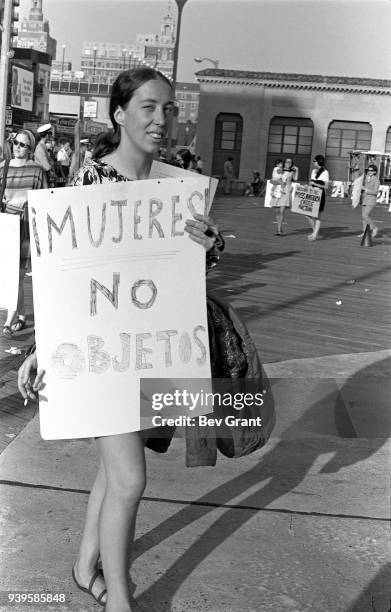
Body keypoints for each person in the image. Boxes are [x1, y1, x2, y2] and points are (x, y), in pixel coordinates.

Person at [17, 68, 223, 612]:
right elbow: (67, 277)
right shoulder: (91, 182)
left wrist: (210, 242)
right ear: (120, 114)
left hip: (150, 350)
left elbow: (195, 270)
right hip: (102, 358)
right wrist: (43, 348)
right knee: (131, 478)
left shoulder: (179, 186)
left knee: (114, 473)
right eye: (149, 108)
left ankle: (87, 566)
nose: (162, 120)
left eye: (170, 109)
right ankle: (122, 601)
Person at [0, 129, 47, 337]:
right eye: (16, 143)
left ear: (30, 149)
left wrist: (25, 203)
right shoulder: (3, 168)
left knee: (17, 276)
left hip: (26, 227)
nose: (17, 147)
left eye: (22, 145)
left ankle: (11, 320)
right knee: (11, 276)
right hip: (7, 226)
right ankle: (20, 316)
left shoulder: (37, 170)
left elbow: (44, 200)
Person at [306, 154, 329, 241]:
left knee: (318, 216)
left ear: (318, 162)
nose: (313, 162)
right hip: (312, 193)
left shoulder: (325, 172)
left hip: (320, 194)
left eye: (314, 161)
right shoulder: (313, 171)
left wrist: (315, 184)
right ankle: (314, 231)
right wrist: (308, 186)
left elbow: (326, 186)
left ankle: (315, 233)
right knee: (307, 215)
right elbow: (310, 183)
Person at [273, 158, 298, 235]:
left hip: (286, 191)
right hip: (278, 190)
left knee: (282, 211)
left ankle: (279, 230)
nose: (288, 163)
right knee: (277, 211)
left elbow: (296, 179)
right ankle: (279, 227)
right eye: (287, 162)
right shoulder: (280, 169)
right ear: (284, 163)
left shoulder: (292, 171)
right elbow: (275, 178)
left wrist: (297, 170)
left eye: (290, 162)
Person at [359, 164, 380, 238]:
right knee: (363, 217)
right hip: (364, 199)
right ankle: (364, 232)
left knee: (365, 215)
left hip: (371, 200)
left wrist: (365, 189)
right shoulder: (365, 178)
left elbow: (375, 192)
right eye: (368, 170)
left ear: (375, 172)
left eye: (371, 170)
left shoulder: (376, 180)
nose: (369, 171)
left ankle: (374, 228)